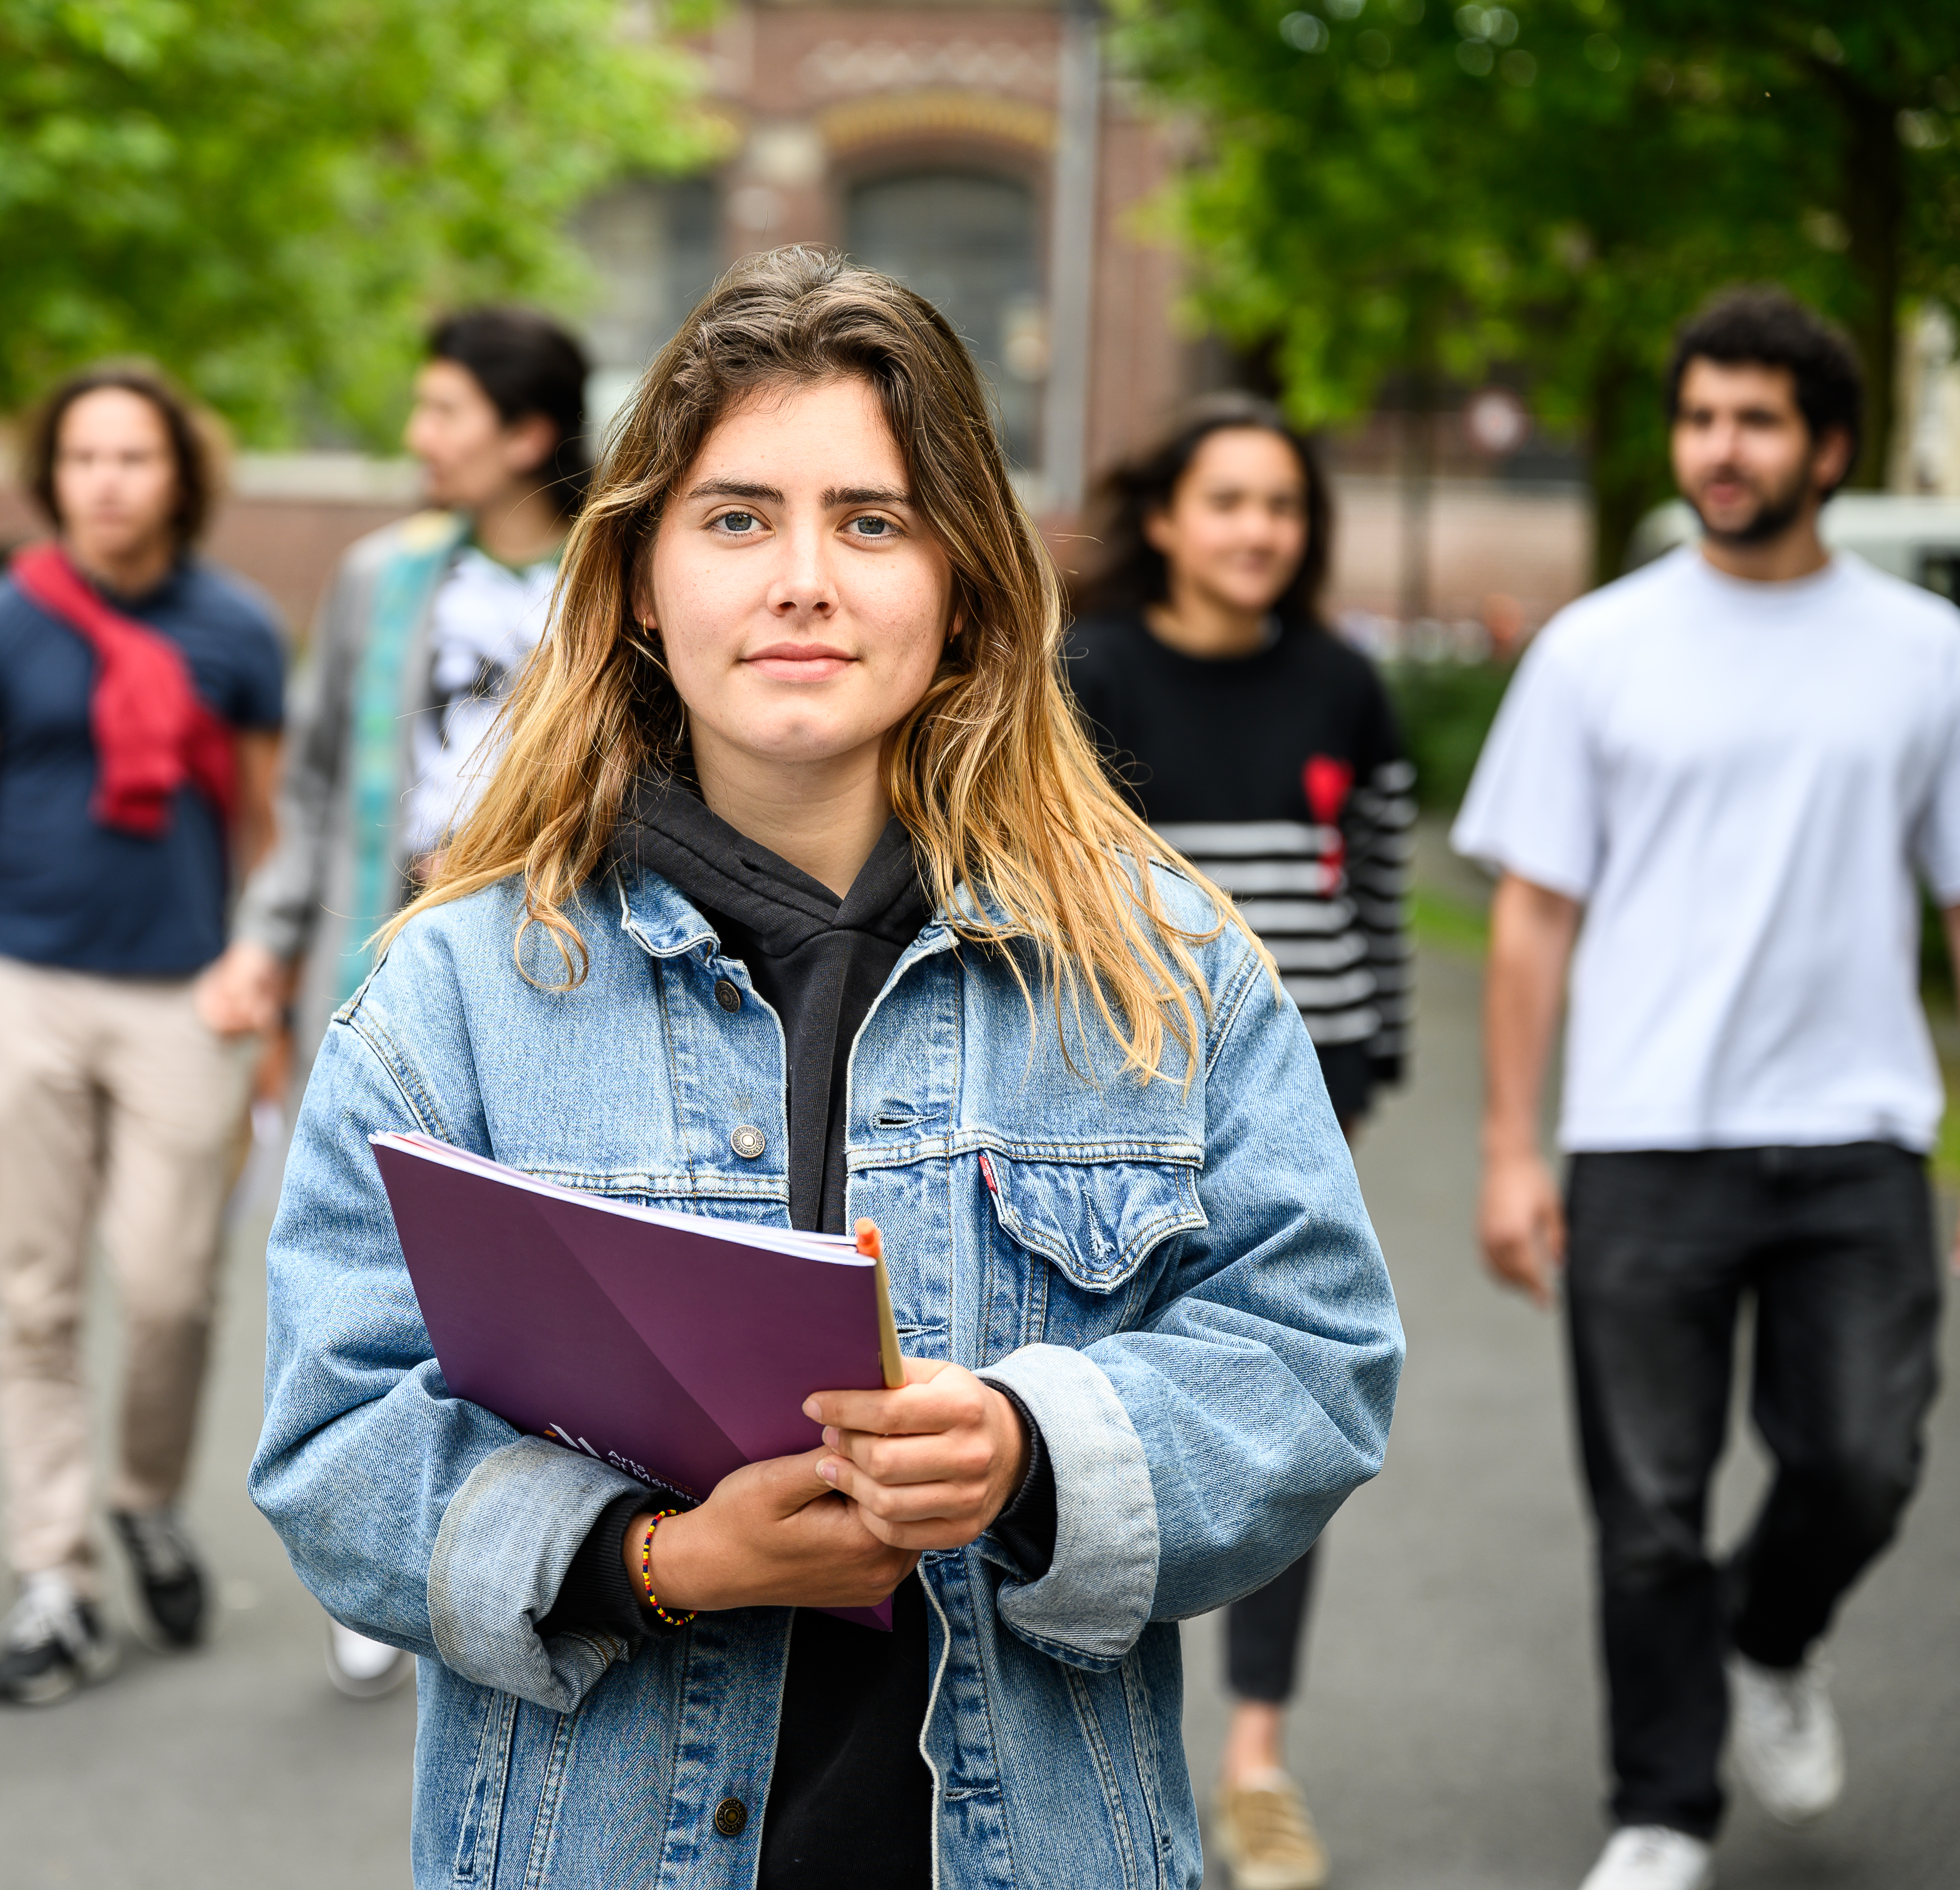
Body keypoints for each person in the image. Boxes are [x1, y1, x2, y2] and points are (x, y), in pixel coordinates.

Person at [249, 247, 1403, 1889]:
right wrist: (652, 1562)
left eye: (870, 521)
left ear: (964, 580)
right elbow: (332, 1437)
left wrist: (1029, 1447)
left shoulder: (1161, 967)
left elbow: (1314, 1357)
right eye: (736, 519)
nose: (803, 579)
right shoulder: (453, 990)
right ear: (641, 580)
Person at [1457, 288, 1960, 1890]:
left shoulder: (1927, 656)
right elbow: (1534, 912)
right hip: (1645, 1143)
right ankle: (1664, 1807)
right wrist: (1513, 1146)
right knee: (1646, 1507)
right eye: (1701, 417)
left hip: (1861, 1140)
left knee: (1865, 1460)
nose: (1721, 449)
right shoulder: (1598, 648)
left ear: (1829, 446)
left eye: (1757, 421)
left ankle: (1771, 1641)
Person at [0, 363, 288, 1706]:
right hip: (22, 995)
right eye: (82, 459)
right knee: (35, 1299)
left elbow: (268, 838)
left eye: (134, 458)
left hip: (182, 999)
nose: (107, 482)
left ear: (180, 476)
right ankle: (53, 1578)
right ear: (51, 477)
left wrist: (270, 987)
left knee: (172, 1289)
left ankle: (147, 1500)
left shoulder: (236, 631)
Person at [205, 306, 592, 1699]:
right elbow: (308, 790)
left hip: (556, 974)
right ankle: (388, 1545)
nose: (419, 438)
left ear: (527, 435)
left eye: (444, 412)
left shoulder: (616, 582)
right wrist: (268, 940)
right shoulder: (381, 581)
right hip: (382, 969)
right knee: (368, 1263)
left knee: (525, 1270)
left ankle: (532, 1540)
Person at [1060, 392, 1414, 1890]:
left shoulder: (1345, 681)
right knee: (1117, 1418)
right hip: (1124, 1101)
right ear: (1163, 522)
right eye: (1229, 504)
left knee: (1278, 1407)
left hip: (1310, 1097)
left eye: (1282, 508)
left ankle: (1256, 1759)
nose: (1259, 532)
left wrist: (1384, 1036)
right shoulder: (1091, 675)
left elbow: (1378, 869)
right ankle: (1092, 1753)